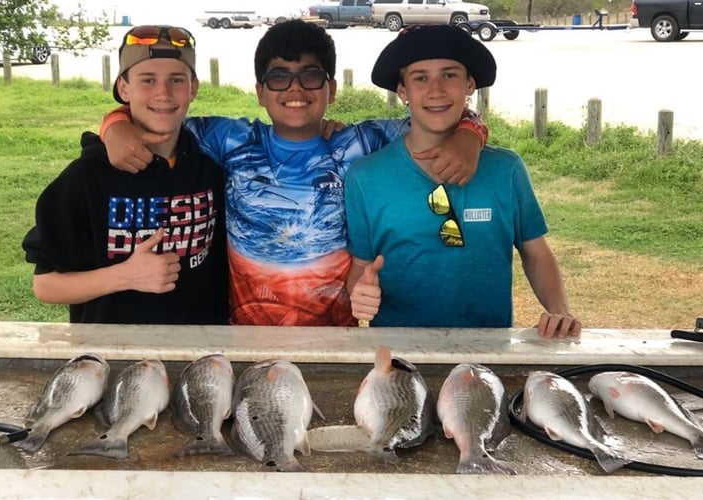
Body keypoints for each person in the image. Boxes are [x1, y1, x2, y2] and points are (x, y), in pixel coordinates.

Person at [100, 20, 488, 327]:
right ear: (260, 91)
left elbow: (434, 117)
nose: (295, 88)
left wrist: (470, 133)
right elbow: (162, 119)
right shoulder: (232, 140)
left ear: (332, 89)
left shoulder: (359, 142)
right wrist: (114, 124)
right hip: (246, 333)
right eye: (279, 77)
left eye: (311, 76)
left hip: (336, 337)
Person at [345, 25, 581, 338]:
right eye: (420, 78)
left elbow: (535, 251)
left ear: (469, 84)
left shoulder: (506, 169)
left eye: (450, 75)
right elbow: (361, 266)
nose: (436, 90)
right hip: (397, 352)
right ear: (402, 91)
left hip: (489, 351)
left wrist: (558, 311)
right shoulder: (365, 178)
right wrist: (359, 292)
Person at [22, 25, 229, 324]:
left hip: (201, 352)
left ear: (193, 88)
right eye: (148, 80)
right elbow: (45, 285)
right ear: (123, 88)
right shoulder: (88, 177)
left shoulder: (210, 166)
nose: (163, 93)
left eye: (176, 79)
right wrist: (125, 276)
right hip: (113, 353)